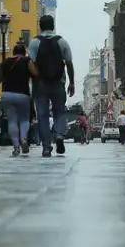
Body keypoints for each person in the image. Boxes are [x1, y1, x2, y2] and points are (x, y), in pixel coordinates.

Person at [28, 15, 76, 157]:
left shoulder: (35, 42)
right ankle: (59, 135)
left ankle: (46, 147)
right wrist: (71, 82)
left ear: (40, 26)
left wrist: (37, 77)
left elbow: (30, 63)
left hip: (41, 84)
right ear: (53, 26)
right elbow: (69, 63)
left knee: (42, 116)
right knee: (59, 112)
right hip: (58, 83)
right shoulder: (62, 42)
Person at [0, 43, 33, 157]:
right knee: (24, 120)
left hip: (7, 94)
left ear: (13, 52)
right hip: (23, 94)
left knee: (12, 121)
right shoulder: (27, 60)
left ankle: (16, 146)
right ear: (24, 52)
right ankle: (23, 138)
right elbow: (35, 74)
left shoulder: (6, 62)